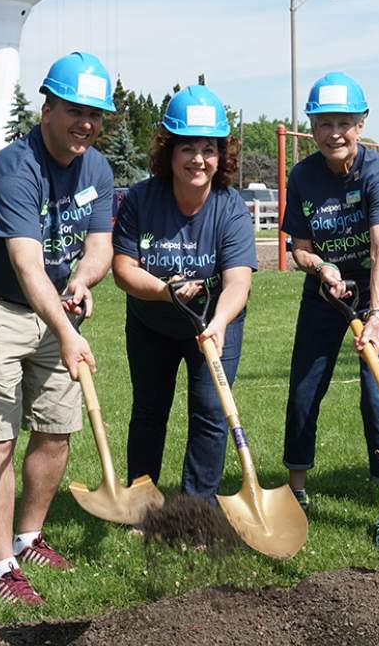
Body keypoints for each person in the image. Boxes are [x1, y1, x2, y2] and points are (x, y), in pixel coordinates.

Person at [0, 51, 117, 604]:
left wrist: (83, 282)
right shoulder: (13, 171)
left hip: (55, 302)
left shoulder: (97, 168)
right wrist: (67, 331)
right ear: (47, 108)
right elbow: (26, 263)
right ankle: (2, 567)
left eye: (95, 113)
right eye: (73, 110)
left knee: (57, 427)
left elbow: (100, 248)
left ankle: (30, 535)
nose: (85, 122)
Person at [280, 72, 379, 547]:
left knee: (377, 394)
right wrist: (323, 268)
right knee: (304, 390)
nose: (335, 132)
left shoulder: (377, 175)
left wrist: (374, 316)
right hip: (325, 293)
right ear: (311, 127)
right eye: (324, 122)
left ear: (361, 123)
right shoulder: (304, 176)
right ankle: (297, 490)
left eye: (344, 122)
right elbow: (301, 249)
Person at [111, 84, 256, 501]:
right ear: (168, 153)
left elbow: (238, 281)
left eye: (208, 149)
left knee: (211, 411)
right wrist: (164, 290)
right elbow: (123, 269)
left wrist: (220, 322)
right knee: (149, 412)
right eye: (187, 148)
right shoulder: (141, 199)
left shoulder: (230, 208)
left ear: (220, 156)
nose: (198, 159)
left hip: (214, 323)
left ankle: (196, 508)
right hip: (151, 322)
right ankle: (142, 502)